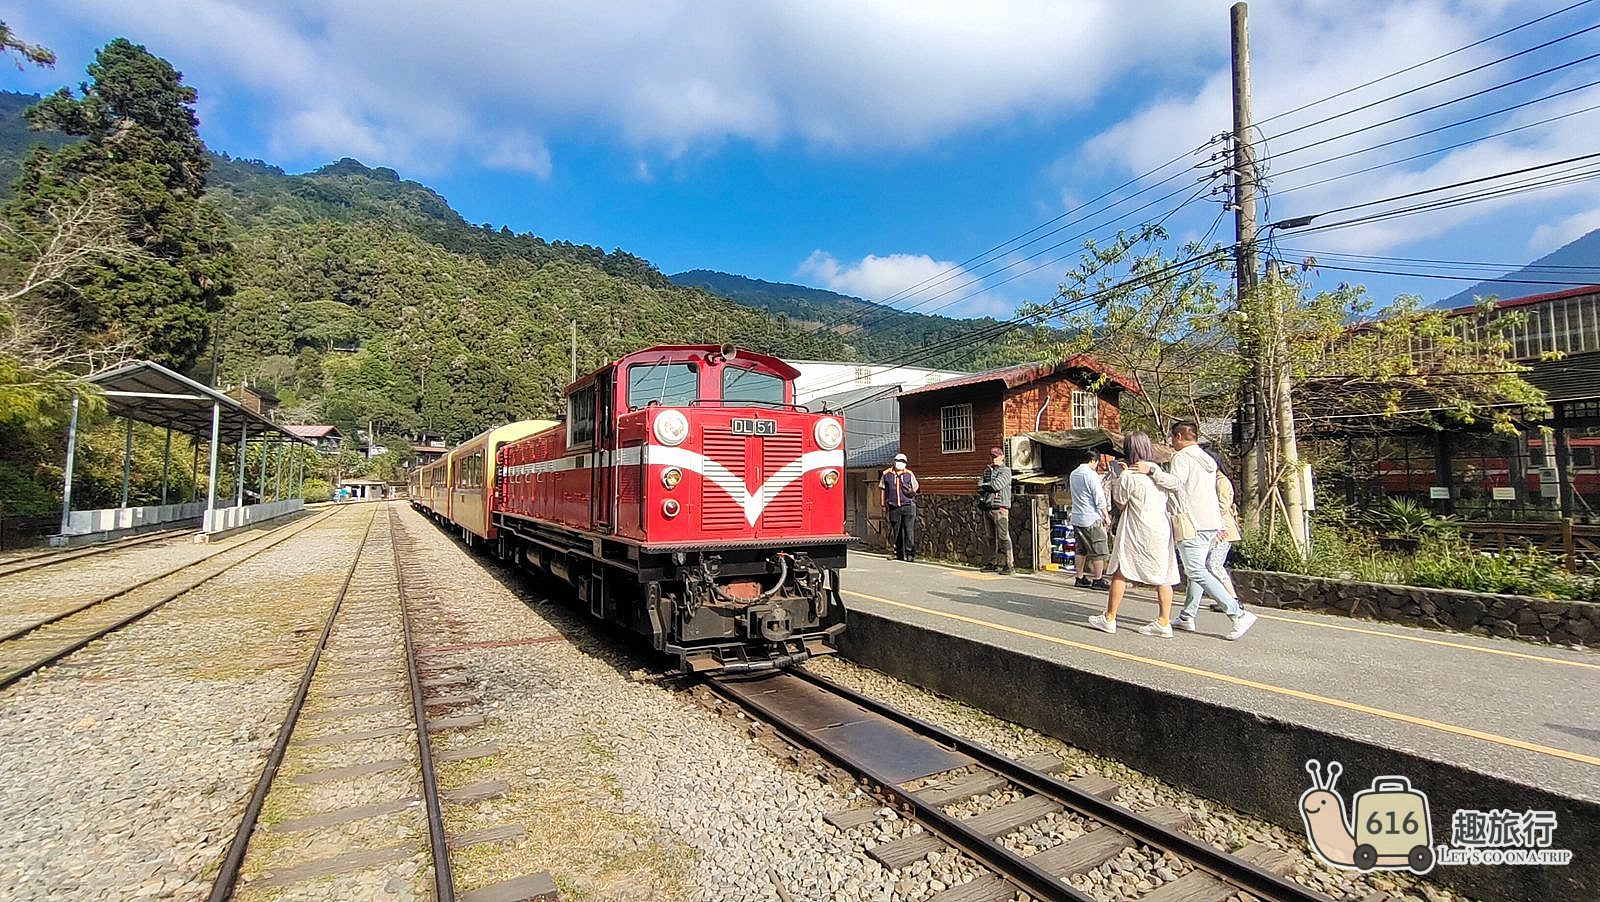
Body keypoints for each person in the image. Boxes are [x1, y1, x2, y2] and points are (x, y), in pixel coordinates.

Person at [1148, 422, 1257, 640]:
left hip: (1193, 522)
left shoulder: (1182, 457)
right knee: (1197, 569)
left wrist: (1153, 471)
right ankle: (1188, 615)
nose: (1171, 442)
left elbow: (1175, 482)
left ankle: (1237, 613)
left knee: (1196, 570)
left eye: (1172, 438)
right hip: (1211, 521)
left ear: (1178, 436)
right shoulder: (1206, 459)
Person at [1089, 431, 1180, 637]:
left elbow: (1120, 503)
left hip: (1137, 529)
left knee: (1121, 570)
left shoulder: (1129, 475)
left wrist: (1119, 477)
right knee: (1163, 575)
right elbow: (1175, 485)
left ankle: (1110, 617)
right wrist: (1152, 472)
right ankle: (1164, 621)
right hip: (1161, 528)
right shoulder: (1156, 470)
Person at [1069, 451, 1111, 589]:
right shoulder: (1091, 475)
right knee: (1098, 549)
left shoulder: (1073, 473)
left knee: (1081, 549)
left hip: (1077, 516)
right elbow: (1098, 497)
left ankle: (1079, 577)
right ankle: (1098, 579)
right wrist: (1106, 516)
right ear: (1093, 460)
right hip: (1091, 517)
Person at [1206, 447, 1242, 601]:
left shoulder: (1221, 482)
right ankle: (1224, 598)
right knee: (1208, 565)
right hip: (1218, 529)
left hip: (1223, 530)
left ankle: (1232, 598)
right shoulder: (1215, 480)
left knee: (1214, 565)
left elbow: (1223, 505)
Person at [978, 447, 1013, 574]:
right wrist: (987, 487)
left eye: (996, 456)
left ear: (1002, 457)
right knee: (990, 537)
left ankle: (1009, 564)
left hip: (1000, 507)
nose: (994, 459)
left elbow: (996, 485)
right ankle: (992, 562)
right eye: (992, 456)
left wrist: (987, 486)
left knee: (1003, 536)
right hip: (987, 506)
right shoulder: (987, 470)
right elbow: (979, 486)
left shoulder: (1006, 471)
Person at [880, 452, 919, 561]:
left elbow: (916, 486)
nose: (900, 463)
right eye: (898, 461)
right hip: (894, 506)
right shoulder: (886, 474)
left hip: (908, 506)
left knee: (909, 531)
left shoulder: (909, 474)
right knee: (896, 531)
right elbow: (883, 489)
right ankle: (899, 554)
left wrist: (910, 493)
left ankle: (910, 554)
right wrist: (883, 504)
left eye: (902, 461)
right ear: (894, 461)